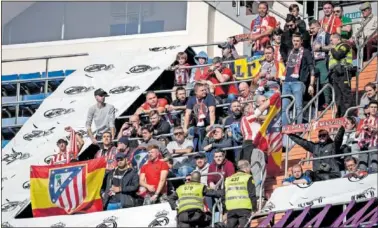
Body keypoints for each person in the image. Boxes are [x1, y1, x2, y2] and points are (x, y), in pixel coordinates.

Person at [281, 32, 316, 126]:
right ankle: (285, 128)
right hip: (287, 82)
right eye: (294, 41)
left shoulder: (306, 52)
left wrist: (311, 85)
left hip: (298, 82)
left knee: (298, 106)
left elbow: (311, 67)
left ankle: (298, 127)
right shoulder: (290, 52)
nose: (295, 43)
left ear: (301, 42)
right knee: (284, 107)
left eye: (297, 41)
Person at [222, 160, 257, 228]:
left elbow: (224, 196)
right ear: (246, 168)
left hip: (231, 208)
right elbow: (252, 194)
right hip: (244, 208)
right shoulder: (248, 177)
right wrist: (254, 209)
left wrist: (225, 211)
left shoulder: (228, 179)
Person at [184, 83, 216, 151]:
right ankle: (195, 152)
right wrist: (185, 128)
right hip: (197, 125)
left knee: (200, 132)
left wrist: (211, 125)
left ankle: (200, 152)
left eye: (205, 90)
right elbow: (187, 114)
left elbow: (212, 111)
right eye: (202, 90)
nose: (204, 91)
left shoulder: (209, 97)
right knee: (192, 131)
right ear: (196, 92)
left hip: (207, 124)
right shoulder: (191, 99)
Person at [309, 20, 333, 109]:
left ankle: (328, 101)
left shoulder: (325, 35)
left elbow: (332, 45)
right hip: (315, 62)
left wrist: (321, 48)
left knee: (324, 80)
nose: (311, 30)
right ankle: (315, 104)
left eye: (313, 28)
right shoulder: (313, 37)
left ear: (318, 27)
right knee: (311, 80)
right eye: (310, 28)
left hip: (323, 60)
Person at [329, 33, 353, 118]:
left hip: (343, 71)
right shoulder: (334, 48)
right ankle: (340, 114)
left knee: (345, 93)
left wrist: (332, 49)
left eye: (332, 39)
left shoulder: (344, 45)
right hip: (335, 73)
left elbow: (338, 55)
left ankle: (348, 115)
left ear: (338, 39)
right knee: (338, 96)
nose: (330, 41)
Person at [356, 100, 378, 173]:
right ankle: (362, 173)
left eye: (375, 107)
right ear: (368, 108)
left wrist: (372, 127)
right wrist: (362, 128)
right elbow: (356, 135)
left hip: (375, 144)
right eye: (372, 107)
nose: (373, 109)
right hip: (363, 145)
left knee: (375, 165)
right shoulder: (363, 120)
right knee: (362, 165)